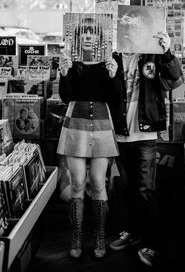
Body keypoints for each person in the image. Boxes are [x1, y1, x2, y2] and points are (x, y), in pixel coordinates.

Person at [108, 31, 184, 268]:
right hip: (120, 133)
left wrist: (168, 50)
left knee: (146, 189)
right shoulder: (112, 57)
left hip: (146, 133)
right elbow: (106, 95)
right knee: (128, 187)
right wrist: (109, 75)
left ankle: (153, 244)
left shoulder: (151, 54)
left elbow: (176, 79)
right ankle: (132, 233)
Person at [56, 16, 118, 260]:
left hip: (102, 122)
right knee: (78, 183)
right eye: (85, 32)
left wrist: (114, 77)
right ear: (78, 37)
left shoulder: (108, 62)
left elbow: (114, 98)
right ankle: (77, 236)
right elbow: (65, 96)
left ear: (100, 38)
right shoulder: (70, 61)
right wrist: (63, 73)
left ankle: (101, 236)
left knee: (99, 183)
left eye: (93, 32)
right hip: (76, 123)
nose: (90, 36)